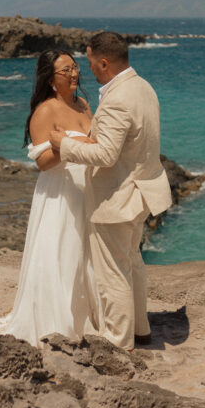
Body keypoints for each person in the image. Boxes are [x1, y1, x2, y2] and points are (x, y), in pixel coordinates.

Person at [49, 31, 172, 351]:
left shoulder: (117, 99)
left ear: (103, 62)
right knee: (132, 261)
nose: (85, 69)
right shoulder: (143, 87)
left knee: (112, 273)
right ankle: (141, 328)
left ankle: (119, 344)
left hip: (118, 198)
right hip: (143, 190)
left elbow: (105, 155)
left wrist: (66, 144)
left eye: (89, 62)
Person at [0, 49, 99, 345]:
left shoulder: (84, 104)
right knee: (58, 252)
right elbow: (42, 162)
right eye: (66, 70)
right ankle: (56, 322)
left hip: (86, 187)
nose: (74, 74)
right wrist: (68, 144)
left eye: (75, 67)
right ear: (51, 80)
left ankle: (85, 316)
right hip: (59, 191)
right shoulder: (45, 111)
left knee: (84, 254)